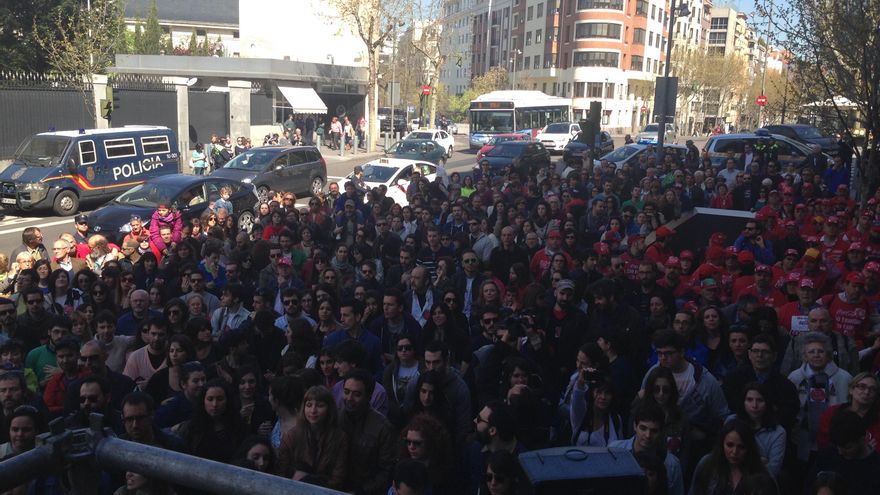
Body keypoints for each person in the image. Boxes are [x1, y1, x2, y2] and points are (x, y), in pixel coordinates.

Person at [276, 385, 348, 490]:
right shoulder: (292, 435)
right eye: (309, 405)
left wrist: (311, 482)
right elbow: (281, 472)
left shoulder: (339, 438)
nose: (313, 410)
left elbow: (337, 479)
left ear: (329, 409)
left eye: (320, 406)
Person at [337, 369, 396, 494]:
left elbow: (386, 471)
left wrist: (363, 491)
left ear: (368, 397)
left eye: (357, 394)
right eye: (346, 392)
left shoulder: (383, 428)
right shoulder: (335, 419)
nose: (349, 398)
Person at [609, 401, 685, 495]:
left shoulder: (672, 465)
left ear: (661, 432)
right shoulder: (614, 451)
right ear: (635, 426)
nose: (648, 435)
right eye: (643, 428)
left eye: (654, 431)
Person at [688, 419, 771, 495]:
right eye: (730, 445)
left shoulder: (759, 474)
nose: (734, 452)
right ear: (722, 444)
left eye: (741, 447)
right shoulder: (707, 464)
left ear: (749, 448)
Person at [809, 408, 880, 495]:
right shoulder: (828, 455)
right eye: (838, 446)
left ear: (862, 439)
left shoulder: (875, 468)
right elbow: (809, 487)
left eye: (848, 447)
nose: (841, 452)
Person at [177, 379, 244, 463]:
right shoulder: (190, 428)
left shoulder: (239, 427)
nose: (215, 404)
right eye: (210, 399)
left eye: (220, 399)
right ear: (203, 401)